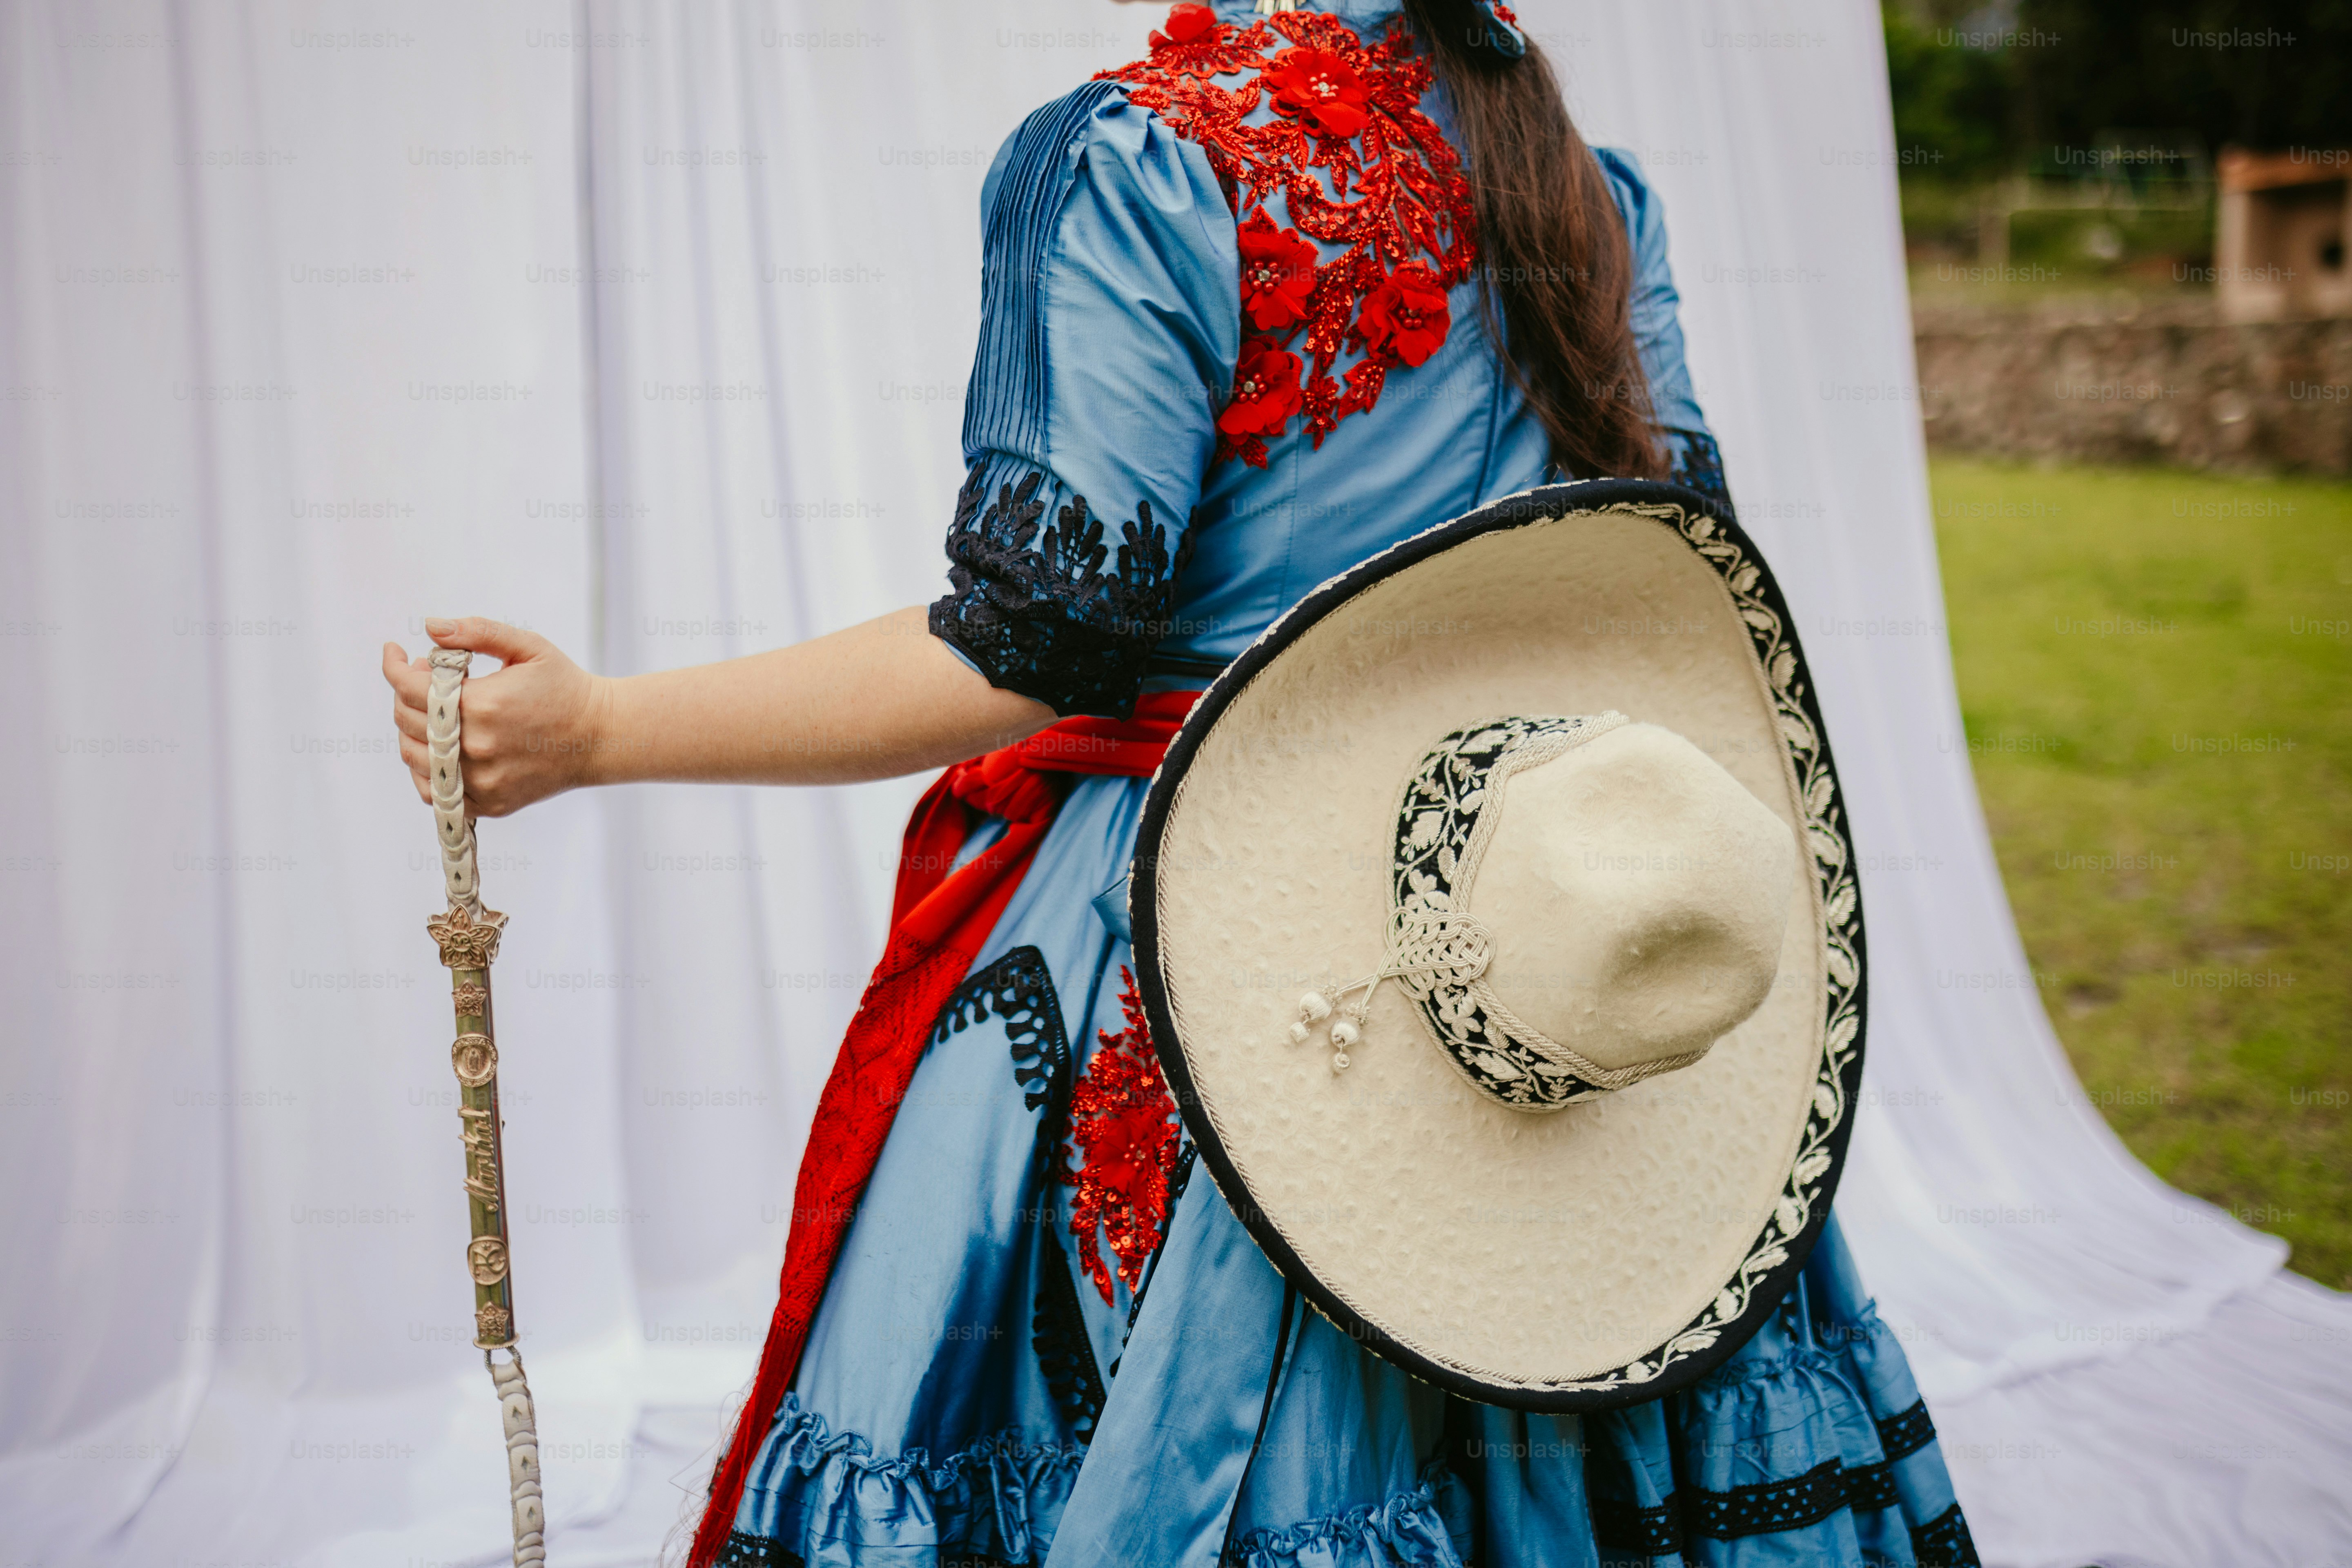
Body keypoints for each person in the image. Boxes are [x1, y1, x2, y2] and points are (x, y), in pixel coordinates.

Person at [383, 3, 1976, 1564]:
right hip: (1524, 953)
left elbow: (1031, 646)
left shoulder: (1147, 164)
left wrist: (602, 733)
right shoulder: (1592, 191)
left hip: (1213, 933)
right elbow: (1652, 582)